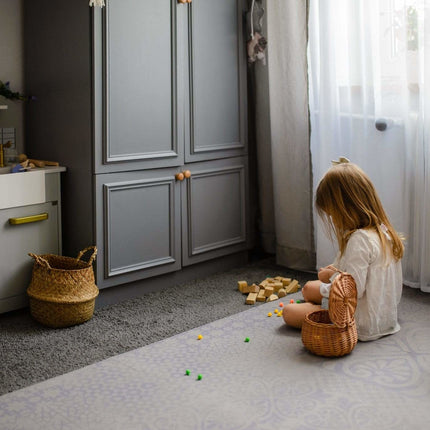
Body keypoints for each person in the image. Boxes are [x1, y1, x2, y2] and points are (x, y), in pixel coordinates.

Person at [283, 160, 404, 341]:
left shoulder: (359, 240)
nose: (332, 219)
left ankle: (325, 310)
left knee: (289, 312)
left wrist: (329, 277)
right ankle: (321, 302)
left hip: (359, 321)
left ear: (345, 209)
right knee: (309, 288)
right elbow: (357, 274)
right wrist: (334, 272)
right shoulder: (382, 230)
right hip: (384, 314)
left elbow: (352, 291)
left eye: (332, 214)